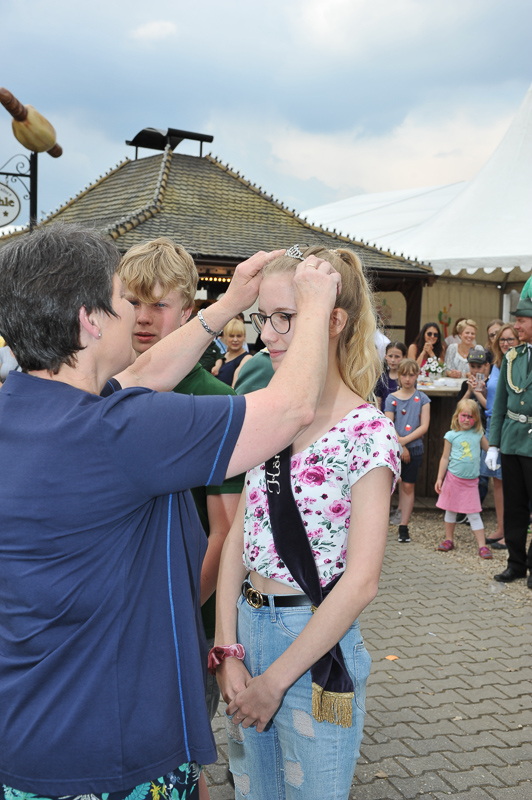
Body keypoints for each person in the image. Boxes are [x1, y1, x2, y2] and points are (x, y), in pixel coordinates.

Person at [0, 224, 342, 800]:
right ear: (90, 319)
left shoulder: (24, 406)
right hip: (110, 748)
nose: (134, 314)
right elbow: (291, 411)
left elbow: (142, 375)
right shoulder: (119, 432)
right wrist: (312, 307)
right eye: (122, 298)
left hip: (30, 728)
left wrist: (229, 303)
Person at [213, 244, 401, 800]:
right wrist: (225, 649)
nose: (267, 335)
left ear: (332, 320)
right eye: (263, 318)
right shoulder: (268, 413)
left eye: (285, 317)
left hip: (312, 641)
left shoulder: (367, 431)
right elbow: (239, 537)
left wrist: (274, 681)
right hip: (247, 629)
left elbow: (361, 581)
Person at [488, 278, 532, 587]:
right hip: (513, 443)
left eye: (521, 320)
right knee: (514, 508)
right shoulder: (513, 357)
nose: (516, 326)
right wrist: (494, 444)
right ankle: (516, 564)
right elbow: (500, 404)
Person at [434, 399, 491, 558]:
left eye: (471, 416)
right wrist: (439, 478)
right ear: (457, 416)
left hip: (471, 483)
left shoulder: (478, 435)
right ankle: (449, 540)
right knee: (450, 510)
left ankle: (482, 546)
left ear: (476, 419)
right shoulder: (451, 436)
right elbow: (445, 458)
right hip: (452, 480)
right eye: (464, 415)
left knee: (474, 514)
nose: (467, 419)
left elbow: (489, 449)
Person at [480, 324, 520, 548]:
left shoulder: (520, 363)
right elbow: (495, 396)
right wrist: (482, 390)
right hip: (492, 425)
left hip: (511, 426)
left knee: (511, 483)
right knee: (497, 482)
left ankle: (512, 533)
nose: (505, 343)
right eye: (502, 340)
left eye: (510, 339)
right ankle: (502, 528)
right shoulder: (497, 364)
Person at [385, 359, 431, 543]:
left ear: (417, 375)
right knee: (389, 485)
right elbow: (389, 424)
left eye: (411, 375)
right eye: (404, 375)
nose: (407, 379)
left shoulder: (423, 399)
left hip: (415, 449)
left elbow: (424, 426)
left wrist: (405, 441)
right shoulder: (391, 398)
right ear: (399, 375)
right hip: (394, 449)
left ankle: (403, 525)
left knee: (408, 486)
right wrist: (401, 445)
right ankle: (381, 522)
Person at [456, 348, 489, 428]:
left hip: (483, 424)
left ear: (486, 366)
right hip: (467, 424)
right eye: (472, 366)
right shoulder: (466, 384)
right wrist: (469, 391)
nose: (475, 370)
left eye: (479, 367)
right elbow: (458, 407)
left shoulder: (489, 384)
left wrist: (477, 392)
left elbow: (489, 407)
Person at [217, 317, 252, 387]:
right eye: (231, 336)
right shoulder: (221, 356)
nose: (235, 340)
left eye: (239, 336)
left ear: (244, 337)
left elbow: (235, 388)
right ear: (225, 336)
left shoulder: (247, 358)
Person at [375, 340, 407, 411]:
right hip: (385, 414)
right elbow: (378, 402)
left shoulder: (407, 378)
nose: (393, 360)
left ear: (404, 357)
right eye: (390, 356)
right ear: (386, 356)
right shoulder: (382, 378)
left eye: (397, 357)